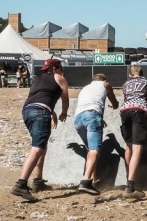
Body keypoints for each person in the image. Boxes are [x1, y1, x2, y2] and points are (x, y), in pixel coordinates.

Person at [11, 58, 69, 201]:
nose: (62, 72)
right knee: (37, 148)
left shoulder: (37, 80)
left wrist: (52, 113)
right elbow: (65, 98)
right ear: (55, 68)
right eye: (61, 68)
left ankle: (38, 181)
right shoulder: (59, 78)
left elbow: (41, 98)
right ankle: (21, 184)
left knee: (41, 146)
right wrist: (63, 112)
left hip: (27, 111)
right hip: (40, 112)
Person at [73, 74, 119, 196]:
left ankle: (92, 180)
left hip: (78, 119)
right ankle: (86, 181)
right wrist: (112, 105)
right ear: (105, 79)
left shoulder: (85, 88)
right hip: (92, 116)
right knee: (94, 150)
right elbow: (115, 103)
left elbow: (89, 104)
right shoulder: (105, 84)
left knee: (90, 150)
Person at [119, 65, 147, 199]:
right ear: (142, 73)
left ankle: (129, 178)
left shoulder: (125, 83)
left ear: (130, 75)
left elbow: (125, 98)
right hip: (139, 111)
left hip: (124, 111)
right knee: (137, 147)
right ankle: (130, 187)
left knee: (128, 146)